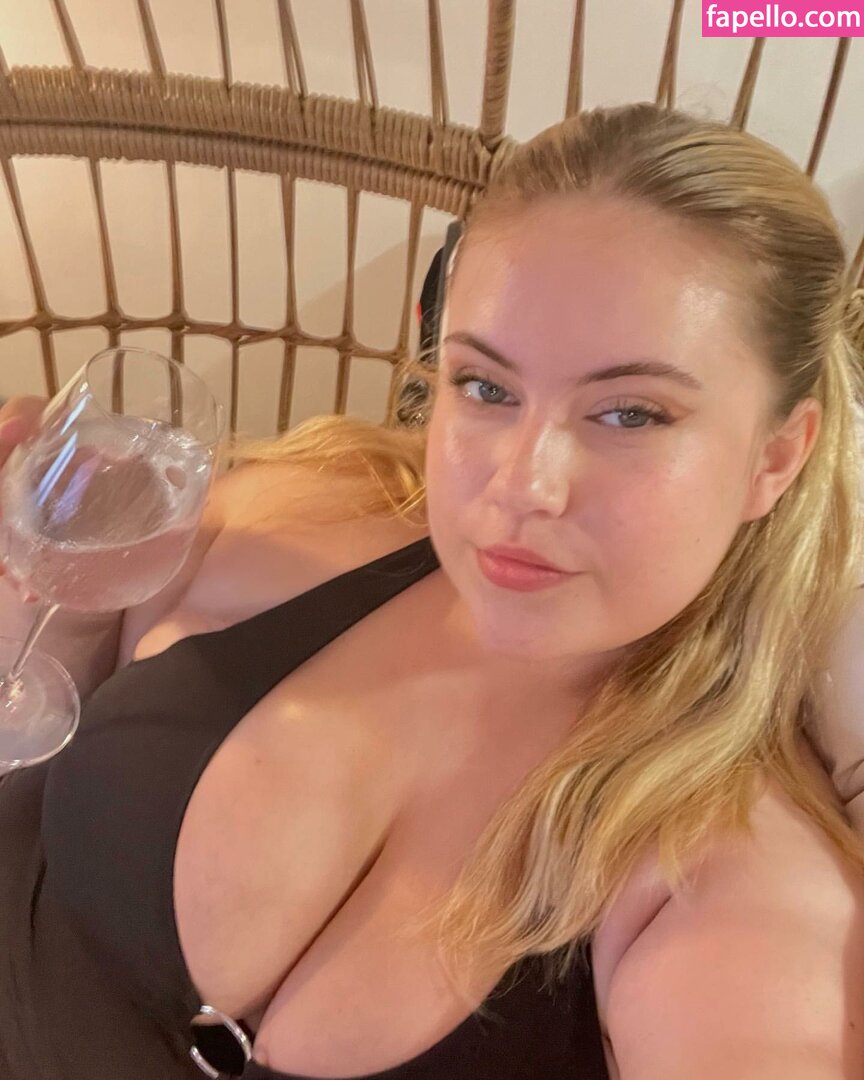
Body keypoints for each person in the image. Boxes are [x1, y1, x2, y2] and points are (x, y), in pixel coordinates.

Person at [1, 101, 864, 1080]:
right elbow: (40, 696)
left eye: (631, 413)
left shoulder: (724, 872)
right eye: (486, 388)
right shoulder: (299, 517)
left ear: (774, 458)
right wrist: (45, 597)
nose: (523, 485)